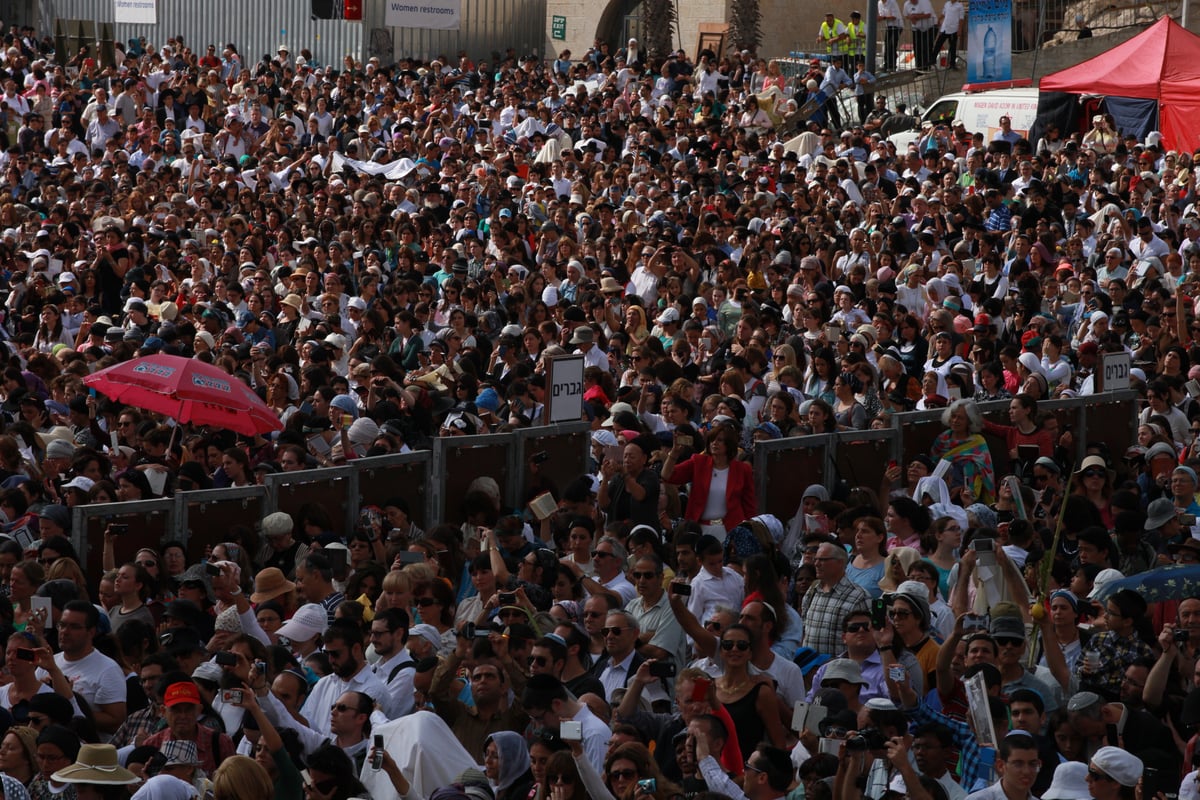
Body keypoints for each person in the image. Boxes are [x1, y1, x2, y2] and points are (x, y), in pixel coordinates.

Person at [661, 424, 756, 541]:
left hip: (731, 529)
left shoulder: (742, 469)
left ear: (729, 444)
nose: (714, 443)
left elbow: (749, 505)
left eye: (720, 440)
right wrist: (674, 453)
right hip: (699, 528)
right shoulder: (698, 462)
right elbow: (667, 476)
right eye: (712, 439)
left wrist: (750, 530)